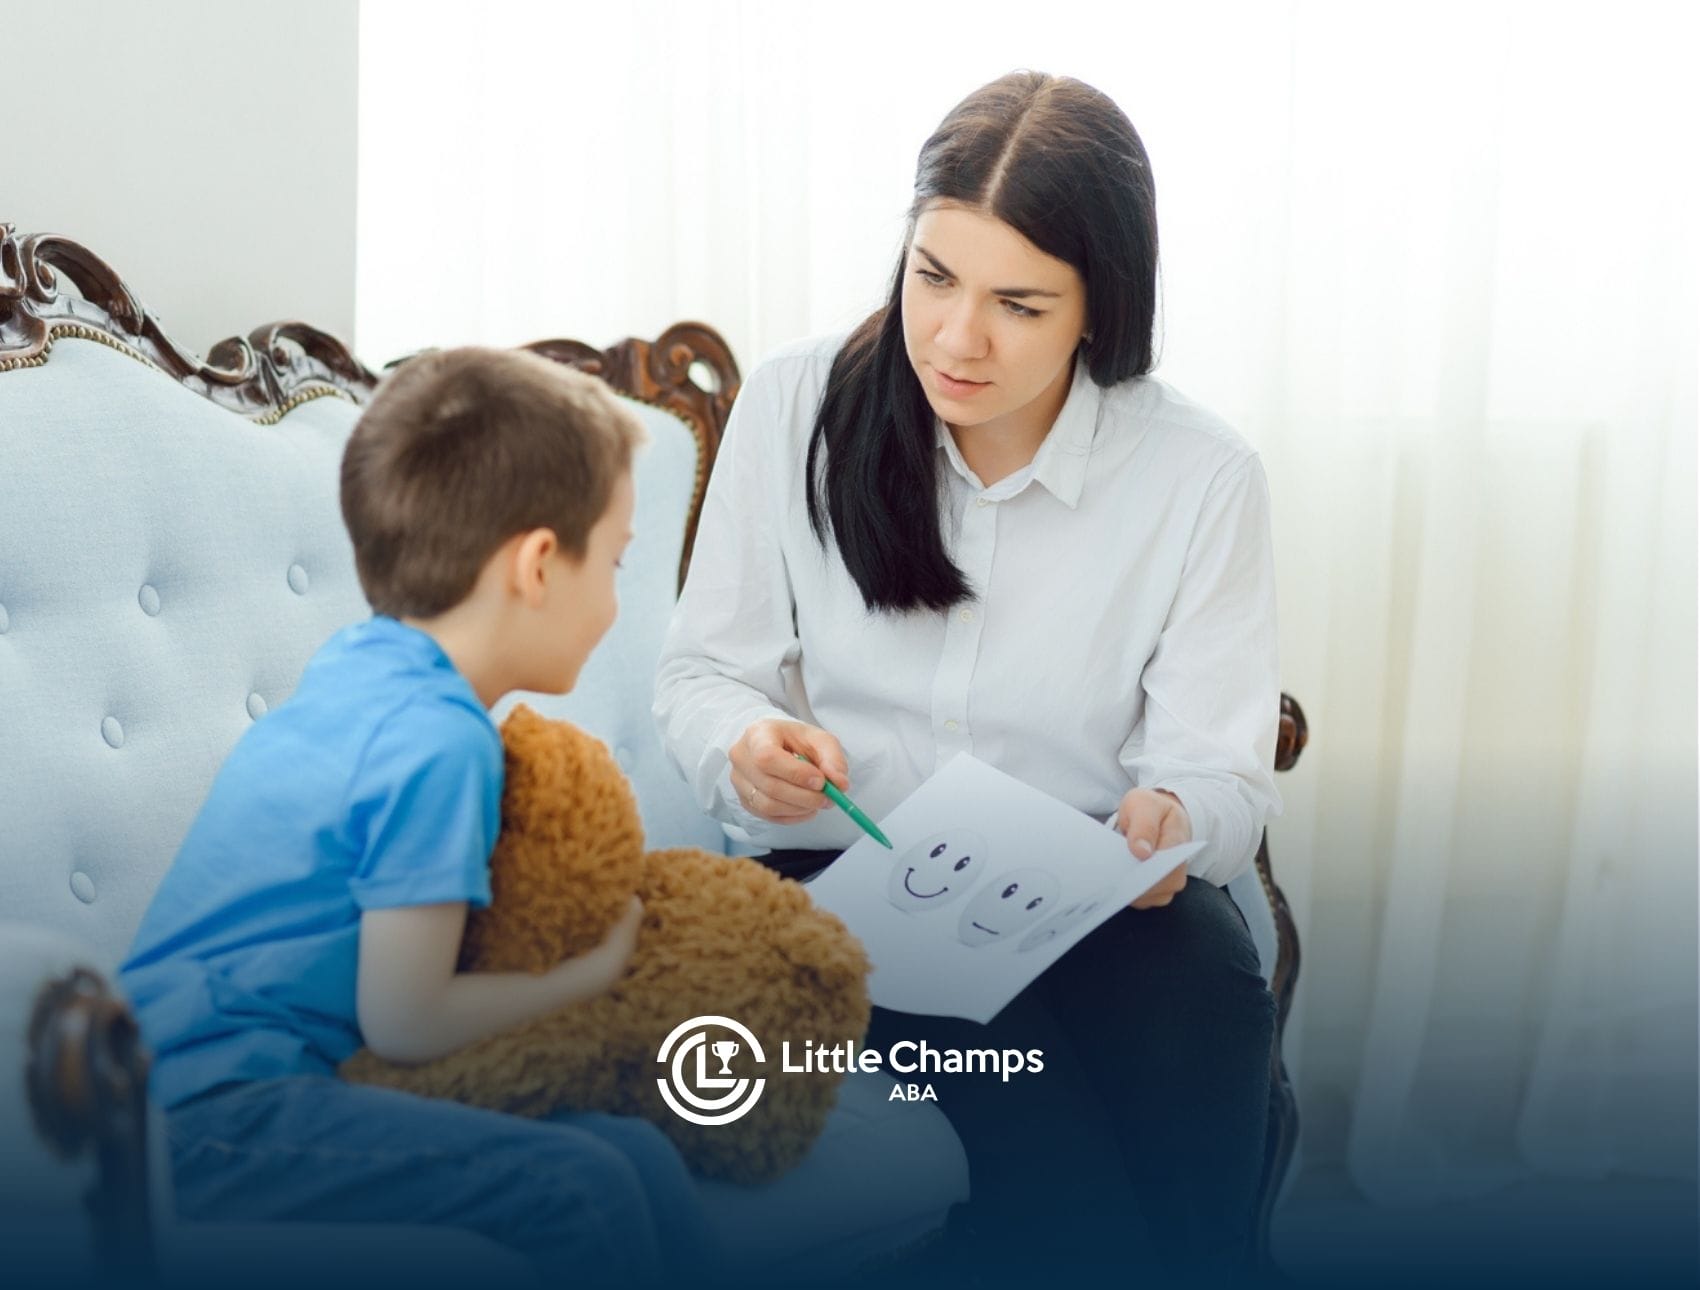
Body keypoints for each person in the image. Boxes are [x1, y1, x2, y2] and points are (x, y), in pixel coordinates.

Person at [655, 71, 1281, 1283]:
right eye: (932, 277)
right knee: (1053, 1157)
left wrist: (1177, 820)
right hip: (844, 886)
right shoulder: (796, 406)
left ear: (1100, 311)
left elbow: (1219, 776)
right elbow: (700, 676)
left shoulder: (1200, 476)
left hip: (1086, 889)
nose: (955, 338)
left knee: (1207, 997)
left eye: (1018, 304)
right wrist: (741, 748)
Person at [121, 349, 714, 1284]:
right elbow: (406, 1018)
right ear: (538, 564)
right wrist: (593, 973)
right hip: (201, 1119)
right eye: (617, 563)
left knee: (634, 1156)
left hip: (192, 1095)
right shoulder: (439, 742)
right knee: (583, 1186)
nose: (613, 606)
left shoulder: (360, 666)